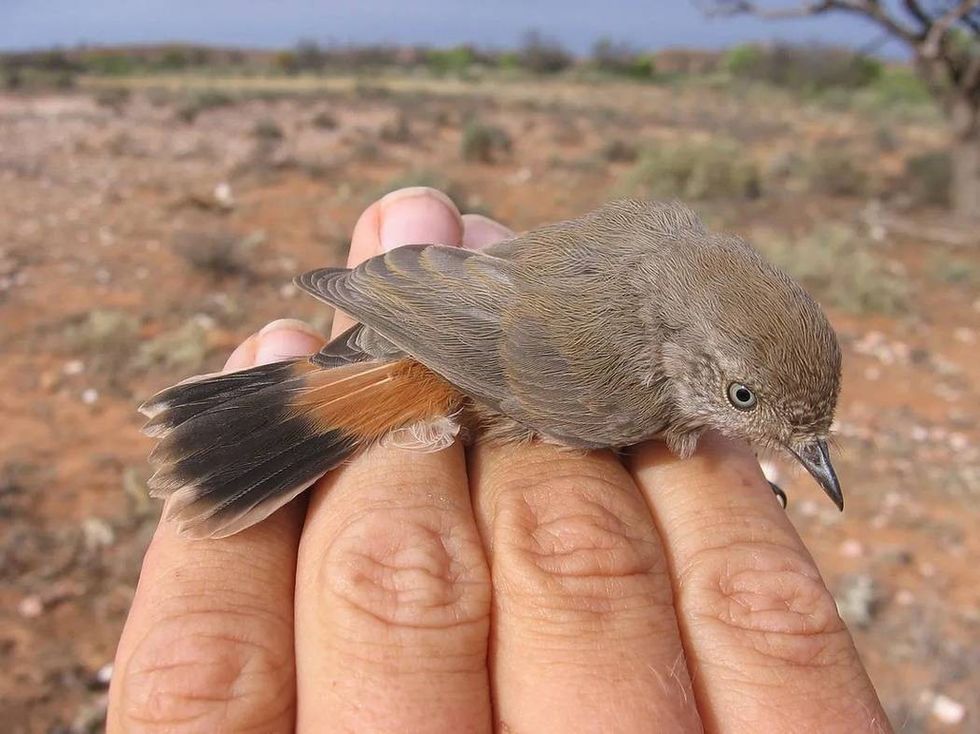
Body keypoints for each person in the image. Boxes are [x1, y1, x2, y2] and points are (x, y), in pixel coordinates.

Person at [107, 187, 891, 733]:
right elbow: (484, 351)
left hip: (462, 299)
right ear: (681, 352)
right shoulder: (629, 385)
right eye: (745, 403)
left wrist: (761, 425)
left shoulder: (666, 229)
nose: (761, 429)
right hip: (448, 358)